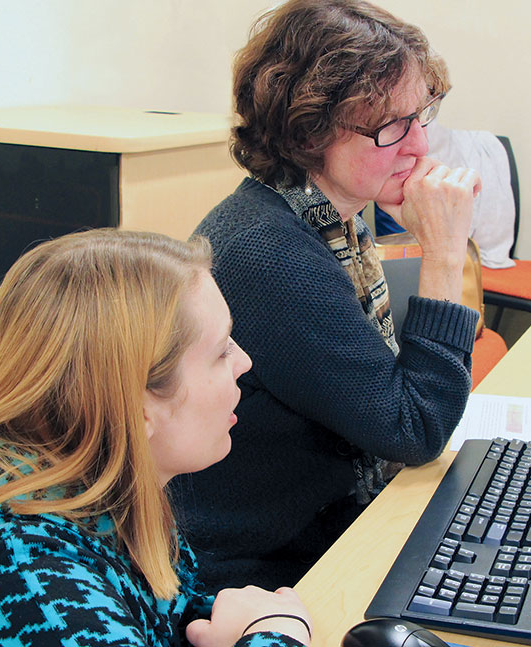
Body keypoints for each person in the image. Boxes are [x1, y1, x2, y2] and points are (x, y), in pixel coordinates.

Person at [171, 0, 481, 592]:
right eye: (391, 126)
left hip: (325, 531)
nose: (419, 145)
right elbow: (413, 428)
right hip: (264, 574)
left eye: (421, 115)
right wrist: (443, 255)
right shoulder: (267, 253)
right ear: (310, 131)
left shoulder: (325, 220)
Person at [0, 229, 312, 647]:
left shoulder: (105, 497)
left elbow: (156, 619)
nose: (244, 361)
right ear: (136, 407)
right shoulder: (28, 586)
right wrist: (277, 634)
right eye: (221, 350)